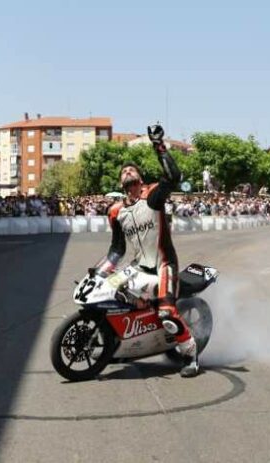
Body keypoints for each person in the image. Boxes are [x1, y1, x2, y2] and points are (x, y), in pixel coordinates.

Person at [96, 125, 199, 378]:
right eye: (123, 171)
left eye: (132, 170)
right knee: (110, 292)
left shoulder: (152, 196)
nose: (127, 171)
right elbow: (117, 248)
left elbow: (174, 177)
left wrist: (158, 144)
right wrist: (99, 272)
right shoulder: (115, 211)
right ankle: (124, 341)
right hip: (139, 265)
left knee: (166, 312)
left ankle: (190, 355)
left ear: (140, 179)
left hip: (165, 264)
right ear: (120, 182)